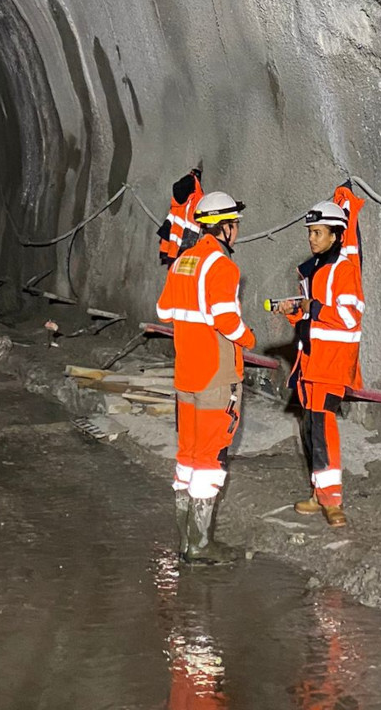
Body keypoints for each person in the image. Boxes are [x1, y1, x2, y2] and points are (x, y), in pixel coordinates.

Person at [156, 190, 256, 565]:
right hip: (216, 376)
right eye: (235, 225)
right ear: (224, 228)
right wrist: (249, 339)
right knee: (210, 458)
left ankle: (185, 540)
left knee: (187, 456)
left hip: (185, 375)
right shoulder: (223, 266)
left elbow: (164, 310)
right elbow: (226, 320)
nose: (237, 231)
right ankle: (200, 545)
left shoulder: (182, 261)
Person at [271, 200, 365, 528]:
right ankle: (319, 492)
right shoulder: (312, 271)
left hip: (331, 365)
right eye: (310, 232)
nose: (311, 239)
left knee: (323, 429)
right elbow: (311, 317)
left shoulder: (344, 270)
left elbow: (350, 316)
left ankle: (332, 501)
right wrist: (294, 311)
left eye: (318, 233)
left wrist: (312, 307)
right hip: (310, 363)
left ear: (336, 235)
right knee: (312, 429)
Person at [157, 168, 203, 266]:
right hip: (185, 250)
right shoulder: (195, 199)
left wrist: (165, 250)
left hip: (173, 250)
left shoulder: (177, 200)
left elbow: (167, 226)